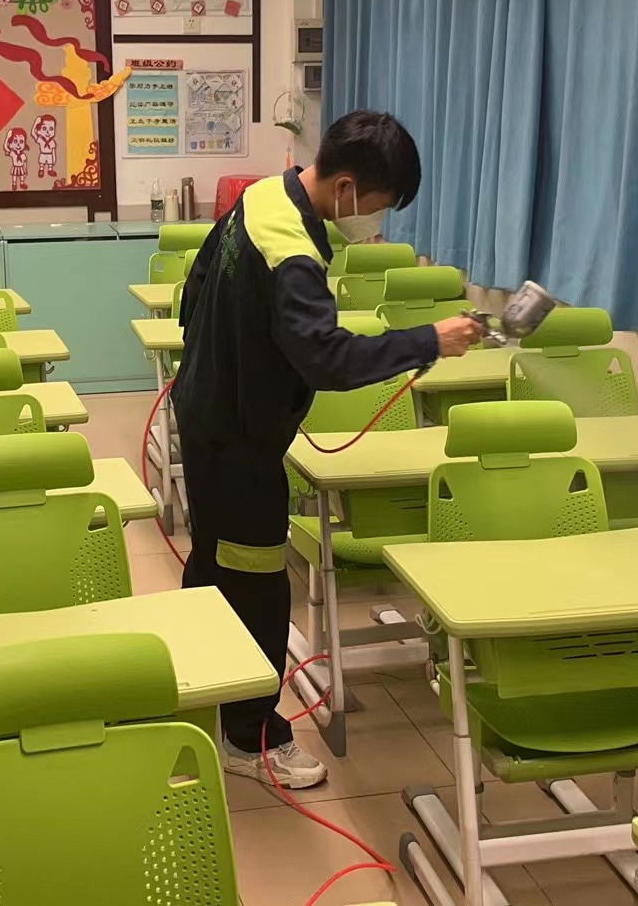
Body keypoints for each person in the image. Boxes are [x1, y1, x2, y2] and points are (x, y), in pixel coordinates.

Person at [172, 110, 487, 787]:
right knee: (257, 584)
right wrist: (429, 340)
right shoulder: (292, 251)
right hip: (238, 441)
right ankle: (249, 736)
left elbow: (191, 296)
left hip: (208, 414)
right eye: (378, 206)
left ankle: (197, 691)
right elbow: (328, 359)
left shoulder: (263, 196)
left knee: (214, 563)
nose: (375, 221)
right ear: (346, 187)